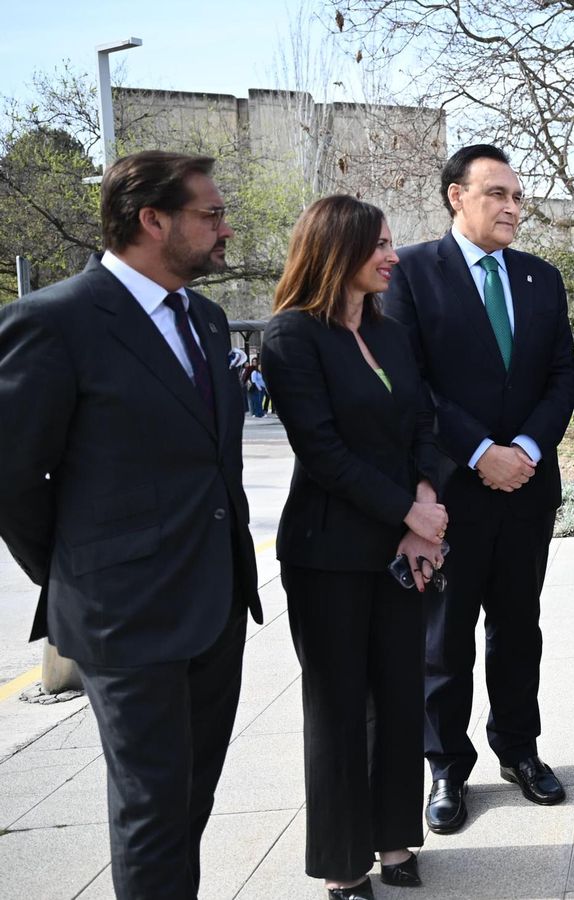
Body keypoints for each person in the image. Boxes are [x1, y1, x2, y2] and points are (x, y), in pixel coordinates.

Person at [0, 150, 263, 898]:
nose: (225, 229)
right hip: (124, 618)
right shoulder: (54, 322)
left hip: (214, 607)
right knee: (152, 813)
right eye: (210, 215)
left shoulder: (207, 320)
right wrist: (80, 571)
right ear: (153, 220)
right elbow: (11, 478)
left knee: (190, 804)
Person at [384, 143, 574, 833]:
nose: (512, 207)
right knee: (444, 639)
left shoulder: (540, 279)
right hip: (448, 494)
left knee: (519, 628)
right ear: (455, 197)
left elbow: (563, 377)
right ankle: (445, 765)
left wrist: (523, 448)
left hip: (527, 487)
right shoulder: (409, 273)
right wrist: (477, 452)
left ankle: (519, 749)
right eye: (496, 193)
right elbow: (410, 384)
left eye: (518, 196)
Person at [262, 195, 445, 899]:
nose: (393, 256)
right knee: (340, 710)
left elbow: (423, 422)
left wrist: (426, 499)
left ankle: (395, 840)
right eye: (380, 245)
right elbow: (325, 453)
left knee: (401, 695)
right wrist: (408, 512)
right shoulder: (289, 337)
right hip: (328, 555)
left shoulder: (390, 329)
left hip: (402, 548)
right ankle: (344, 863)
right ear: (336, 249)